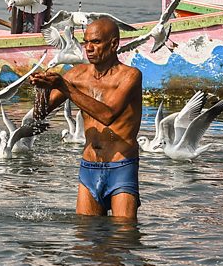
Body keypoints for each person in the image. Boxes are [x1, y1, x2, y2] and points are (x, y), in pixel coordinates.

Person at [30, 16, 143, 219]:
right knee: (85, 238)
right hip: (89, 167)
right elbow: (39, 114)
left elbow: (108, 115)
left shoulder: (131, 76)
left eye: (96, 42)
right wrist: (42, 90)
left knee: (123, 237)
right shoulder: (77, 75)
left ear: (114, 44)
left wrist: (64, 87)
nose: (88, 48)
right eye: (86, 42)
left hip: (121, 166)